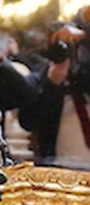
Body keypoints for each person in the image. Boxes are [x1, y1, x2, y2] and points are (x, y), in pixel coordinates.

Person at [19, 19, 90, 164]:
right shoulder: (41, 77)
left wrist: (85, 36)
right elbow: (27, 121)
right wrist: (52, 84)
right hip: (58, 166)